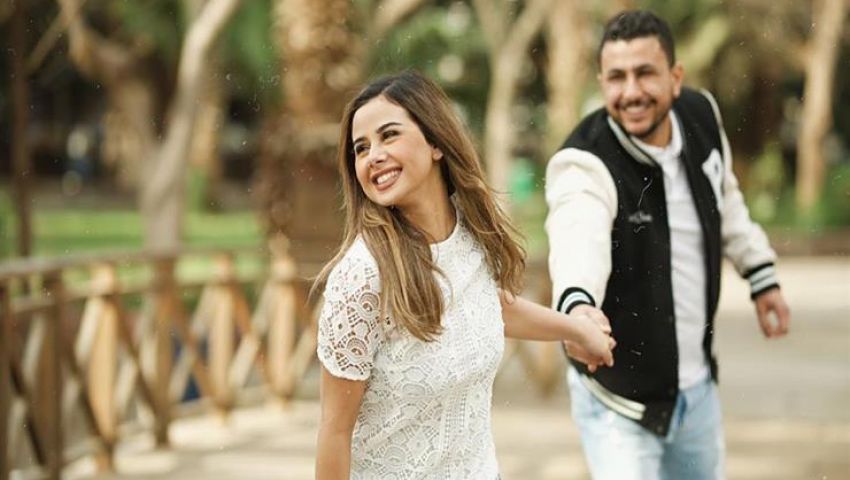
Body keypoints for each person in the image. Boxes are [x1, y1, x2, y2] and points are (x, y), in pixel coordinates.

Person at [314, 70, 616, 479]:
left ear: (436, 142)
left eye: (389, 136)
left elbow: (487, 307)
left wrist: (577, 329)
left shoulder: (468, 232)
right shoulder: (362, 276)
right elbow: (334, 431)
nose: (373, 156)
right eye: (361, 148)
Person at [544, 10, 791, 480]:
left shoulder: (702, 116)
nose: (631, 91)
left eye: (645, 73)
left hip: (697, 392)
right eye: (616, 77)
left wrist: (761, 273)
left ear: (676, 78)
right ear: (601, 82)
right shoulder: (584, 162)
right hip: (619, 404)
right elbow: (578, 237)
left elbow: (725, 197)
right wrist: (578, 307)